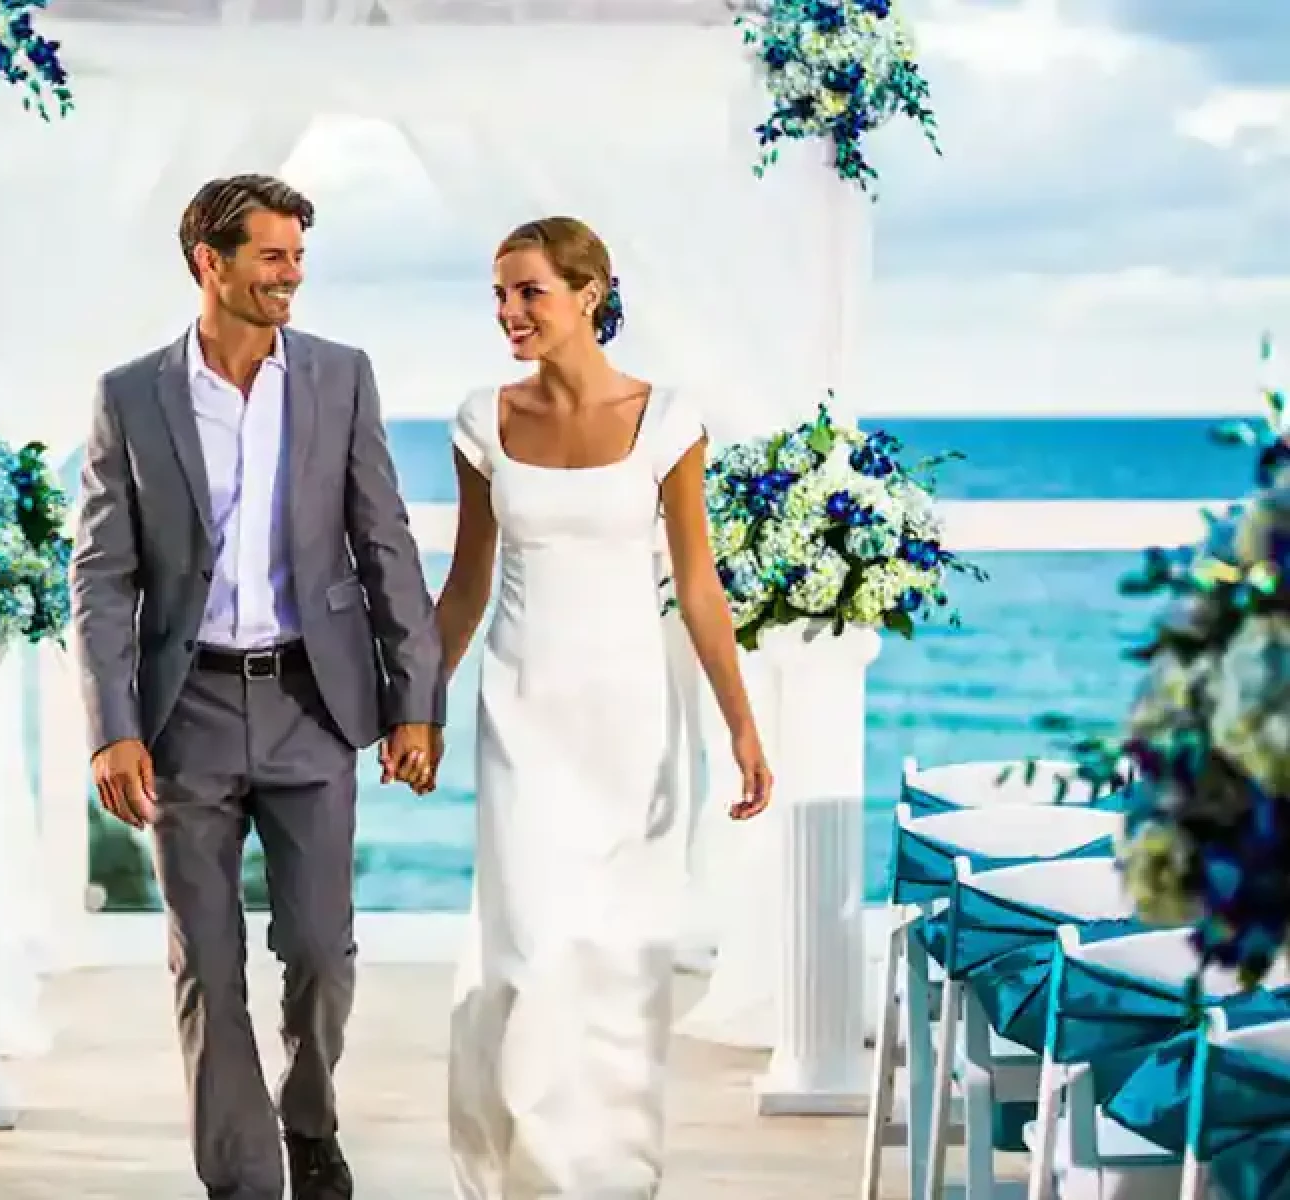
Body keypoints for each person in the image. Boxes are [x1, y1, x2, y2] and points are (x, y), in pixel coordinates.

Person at [68, 173, 445, 1200]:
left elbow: (384, 542)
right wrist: (111, 726)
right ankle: (242, 1181)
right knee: (207, 964)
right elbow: (102, 575)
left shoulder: (338, 377)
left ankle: (310, 1116)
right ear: (210, 263)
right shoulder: (131, 395)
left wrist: (414, 698)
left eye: (297, 256)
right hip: (181, 711)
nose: (292, 276)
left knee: (320, 947)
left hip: (310, 702)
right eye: (272, 256)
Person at [436, 216, 772, 1198]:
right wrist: (413, 706)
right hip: (521, 710)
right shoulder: (481, 419)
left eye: (528, 291)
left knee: (618, 963)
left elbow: (699, 587)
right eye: (498, 294)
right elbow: (463, 583)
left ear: (589, 293)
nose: (508, 313)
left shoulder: (667, 420)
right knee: (527, 952)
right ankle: (526, 1172)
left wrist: (740, 727)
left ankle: (612, 1178)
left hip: (630, 718)